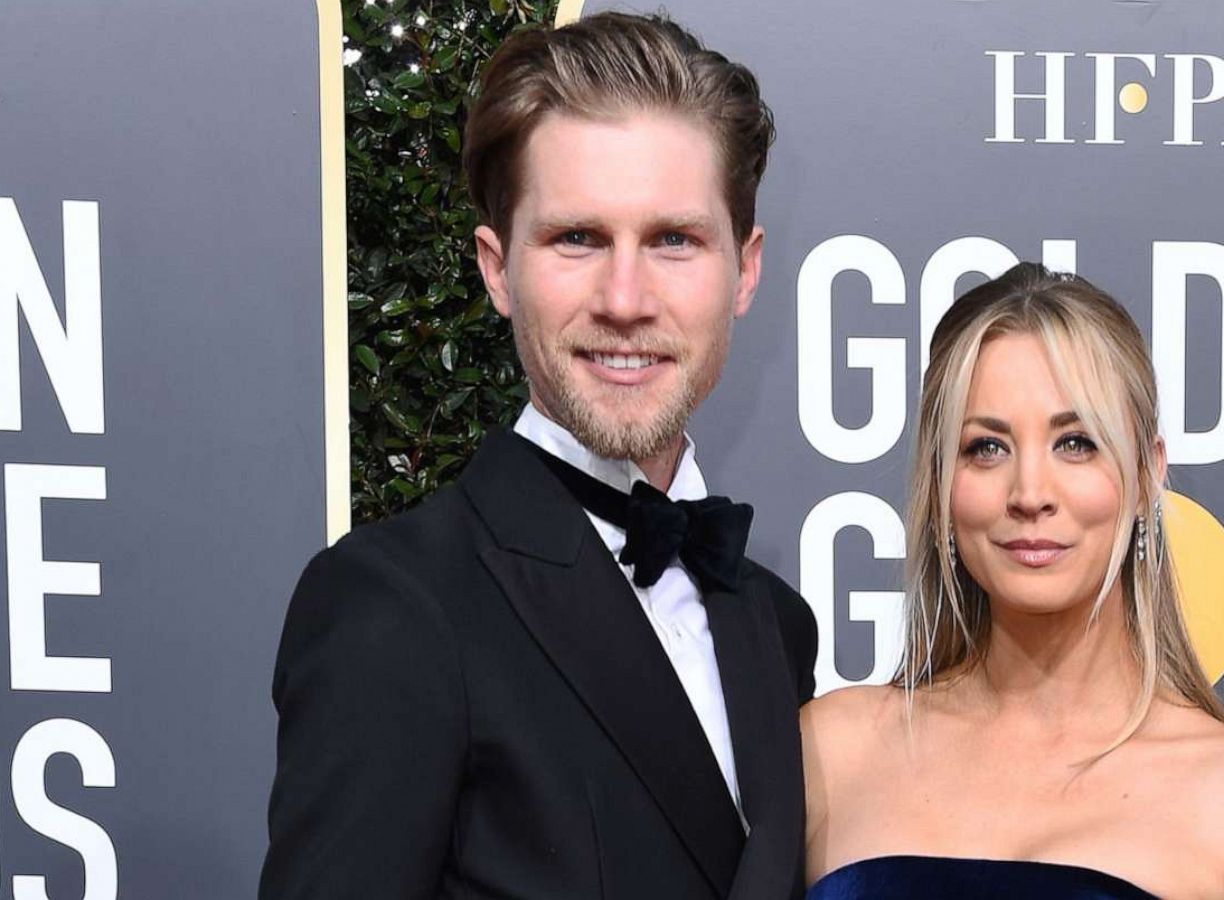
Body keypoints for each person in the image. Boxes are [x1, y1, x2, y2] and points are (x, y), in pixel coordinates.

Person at [259, 13, 817, 900]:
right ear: (496, 268)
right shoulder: (395, 608)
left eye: (674, 239)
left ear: (744, 271)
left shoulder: (777, 628)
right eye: (577, 239)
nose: (626, 299)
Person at [800, 263, 1224, 899]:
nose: (1030, 494)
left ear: (1146, 476)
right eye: (985, 448)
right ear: (940, 485)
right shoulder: (830, 752)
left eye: (1076, 443)